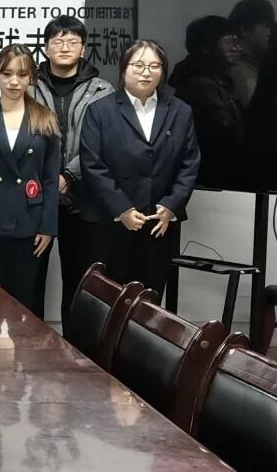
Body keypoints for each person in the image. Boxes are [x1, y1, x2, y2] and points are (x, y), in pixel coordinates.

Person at [80, 40, 201, 298]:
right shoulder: (100, 111)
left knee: (150, 299)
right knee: (109, 299)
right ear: (124, 69)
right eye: (138, 65)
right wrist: (122, 209)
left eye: (154, 66)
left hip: (159, 222)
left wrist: (171, 206)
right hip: (111, 223)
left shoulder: (180, 111)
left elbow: (189, 163)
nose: (146, 72)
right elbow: (92, 164)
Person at [0, 45, 60, 313]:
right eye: (7, 74)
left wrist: (47, 227)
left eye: (22, 74)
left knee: (25, 302)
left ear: (32, 78)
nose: (14, 81)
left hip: (30, 224)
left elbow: (50, 180)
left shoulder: (44, 119)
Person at [30, 16, 112, 324]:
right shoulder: (28, 86)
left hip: (84, 200)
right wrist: (47, 179)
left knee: (81, 283)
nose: (65, 47)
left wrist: (68, 176)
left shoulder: (102, 89)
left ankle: (76, 349)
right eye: (58, 41)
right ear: (46, 47)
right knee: (30, 280)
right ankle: (30, 345)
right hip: (36, 197)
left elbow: (104, 142)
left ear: (83, 48)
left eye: (72, 41)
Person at [168, 15, 248, 190]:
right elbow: (227, 136)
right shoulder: (200, 87)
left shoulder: (218, 82)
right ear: (207, 48)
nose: (237, 48)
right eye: (229, 42)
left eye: (237, 42)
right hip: (209, 179)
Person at [227, 0, 275, 110]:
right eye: (265, 26)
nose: (270, 33)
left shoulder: (258, 65)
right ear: (244, 29)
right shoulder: (237, 71)